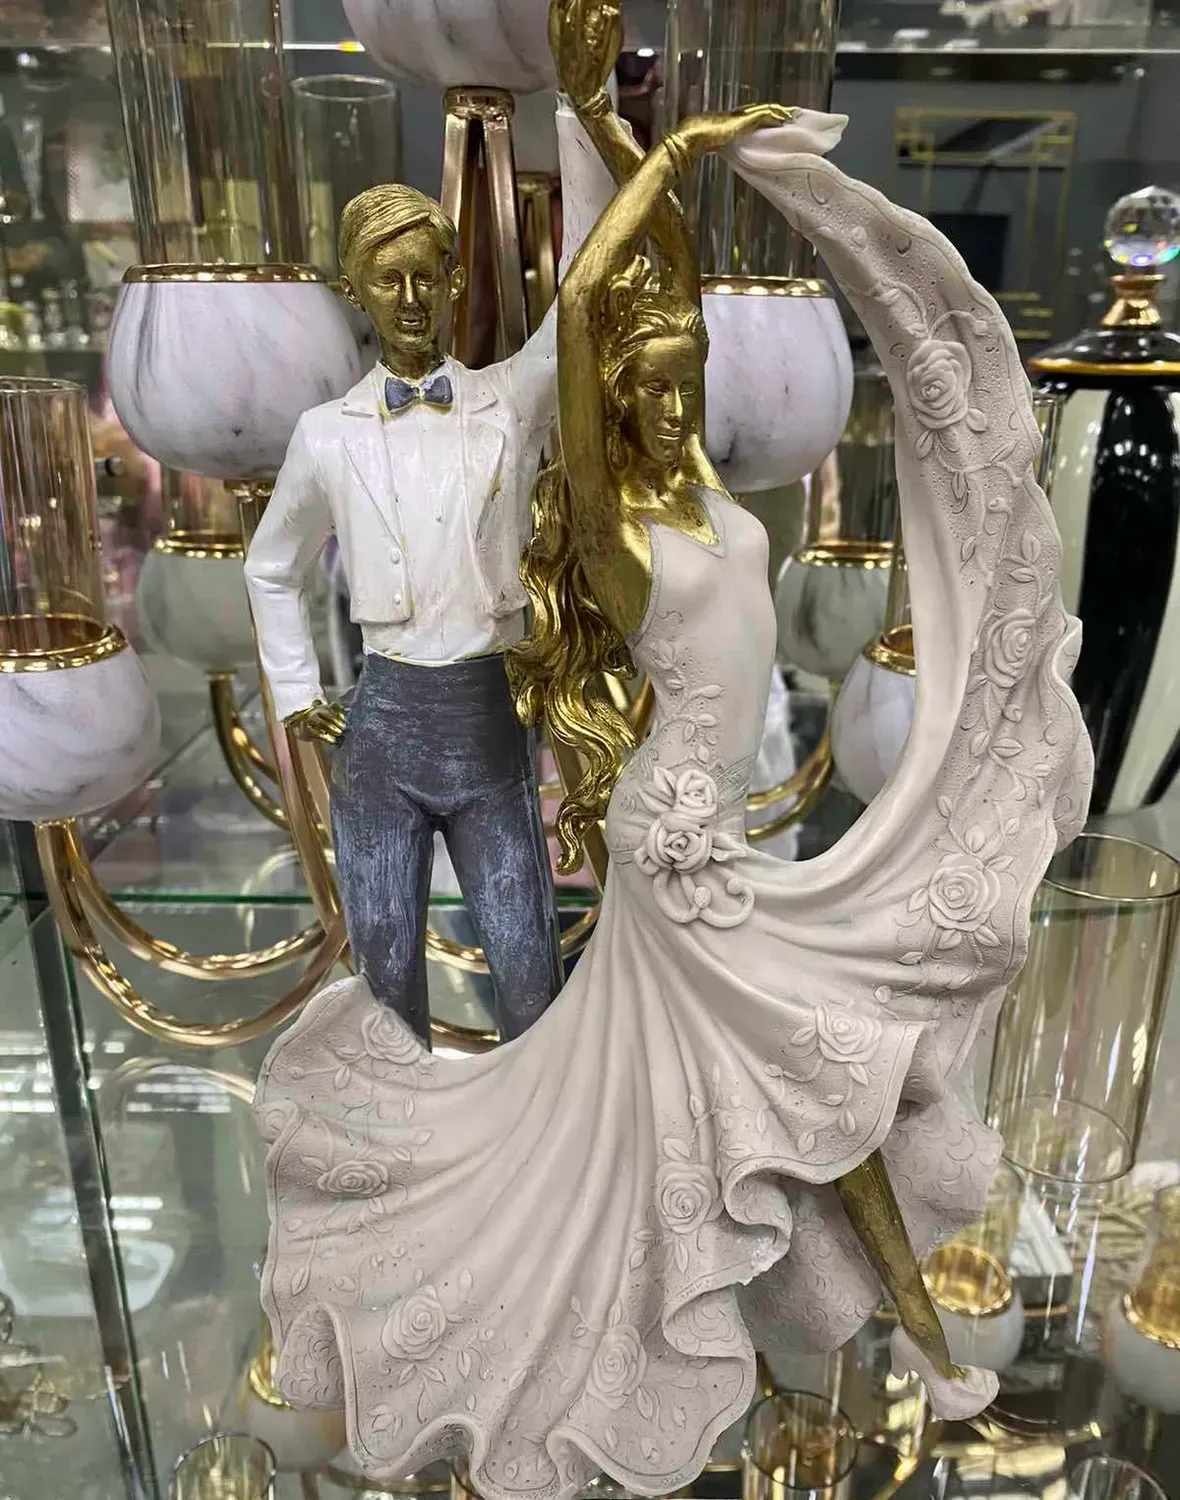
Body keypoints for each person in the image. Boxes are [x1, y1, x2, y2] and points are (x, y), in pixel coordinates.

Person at [253, 12, 1091, 1495]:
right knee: (801, 1078)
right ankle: (904, 1342)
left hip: (705, 829)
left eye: (677, 378)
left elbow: (639, 293)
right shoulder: (614, 533)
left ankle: (895, 1337)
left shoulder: (689, 484)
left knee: (777, 1082)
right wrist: (678, 149)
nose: (663, 394)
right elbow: (587, 305)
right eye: (642, 385)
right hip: (626, 824)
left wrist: (618, 137)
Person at [244, 104, 612, 1044]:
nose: (410, 298)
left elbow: (584, 291)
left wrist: (582, 117)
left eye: (426, 276)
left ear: (453, 281)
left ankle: (536, 1124)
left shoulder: (508, 401)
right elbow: (271, 566)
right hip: (382, 733)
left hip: (491, 725)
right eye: (387, 279)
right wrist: (298, 696)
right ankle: (397, 1128)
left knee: (528, 967)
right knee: (385, 980)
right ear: (355, 292)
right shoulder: (326, 436)